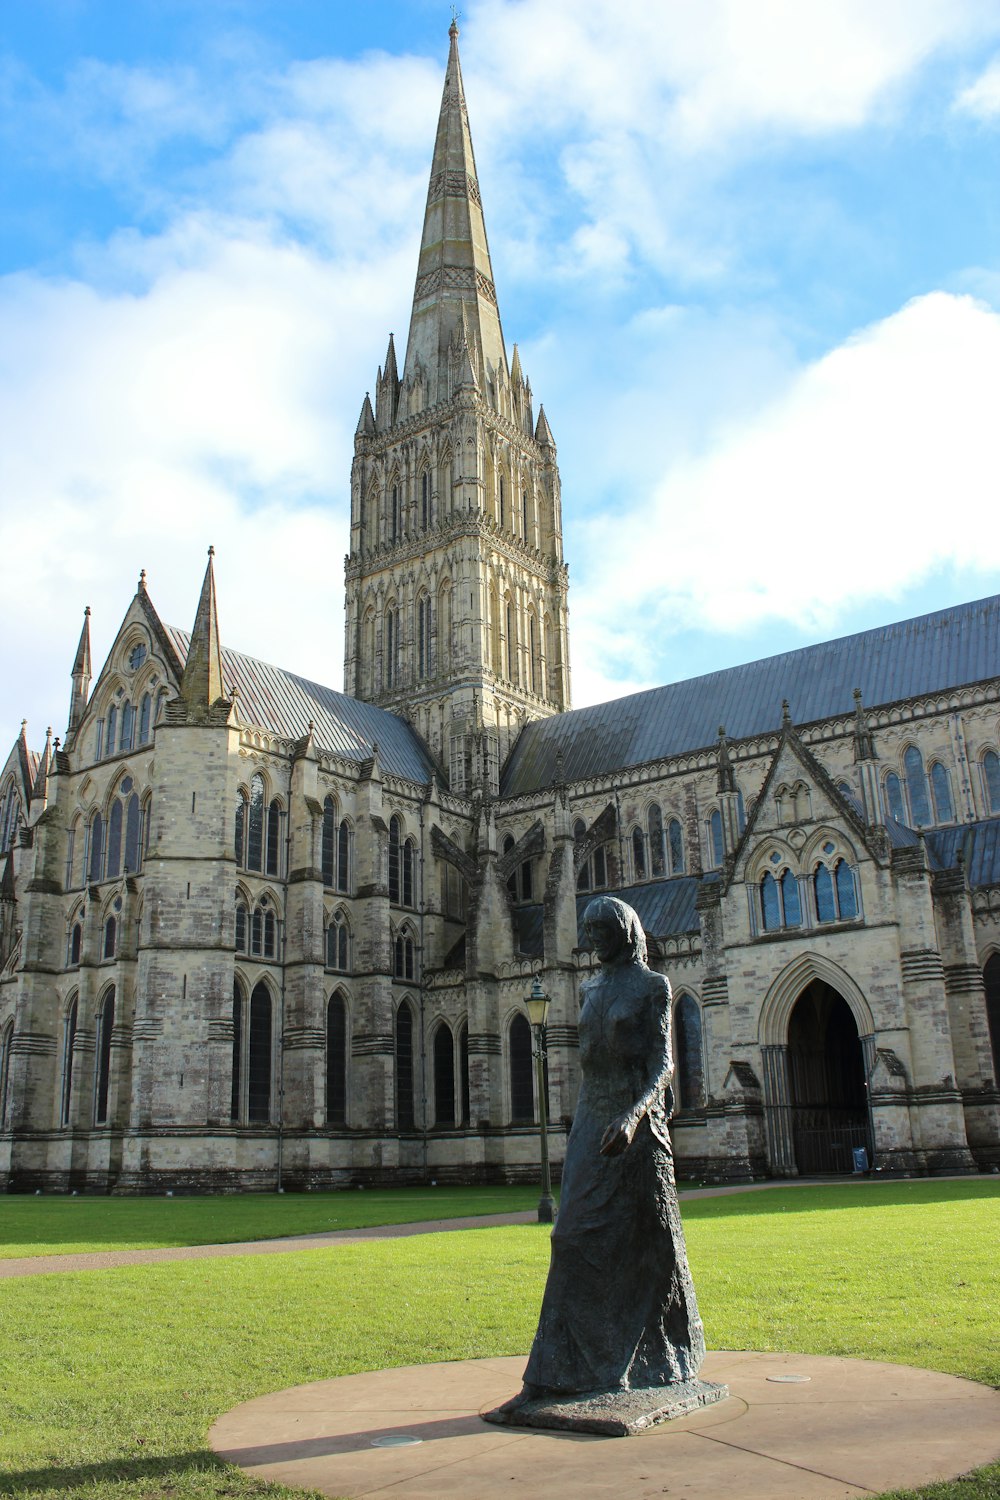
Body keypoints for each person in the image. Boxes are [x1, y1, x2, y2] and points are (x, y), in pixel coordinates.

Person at [508, 895, 707, 1403]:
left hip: (634, 1124)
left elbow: (665, 1065)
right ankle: (556, 1373)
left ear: (625, 930)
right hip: (593, 1120)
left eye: (600, 930)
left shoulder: (653, 986)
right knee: (570, 1236)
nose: (591, 938)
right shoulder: (590, 986)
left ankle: (662, 1355)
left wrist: (634, 1115)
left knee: (651, 1245)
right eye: (587, 930)